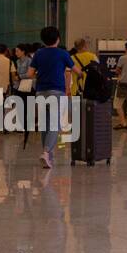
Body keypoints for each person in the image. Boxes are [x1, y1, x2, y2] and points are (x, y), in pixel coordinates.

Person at [28, 27, 83, 169]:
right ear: (58, 38)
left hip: (40, 92)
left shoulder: (38, 54)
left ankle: (48, 155)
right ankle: (46, 153)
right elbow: (77, 71)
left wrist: (42, 74)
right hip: (57, 92)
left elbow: (30, 73)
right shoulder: (63, 54)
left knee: (45, 125)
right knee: (54, 124)